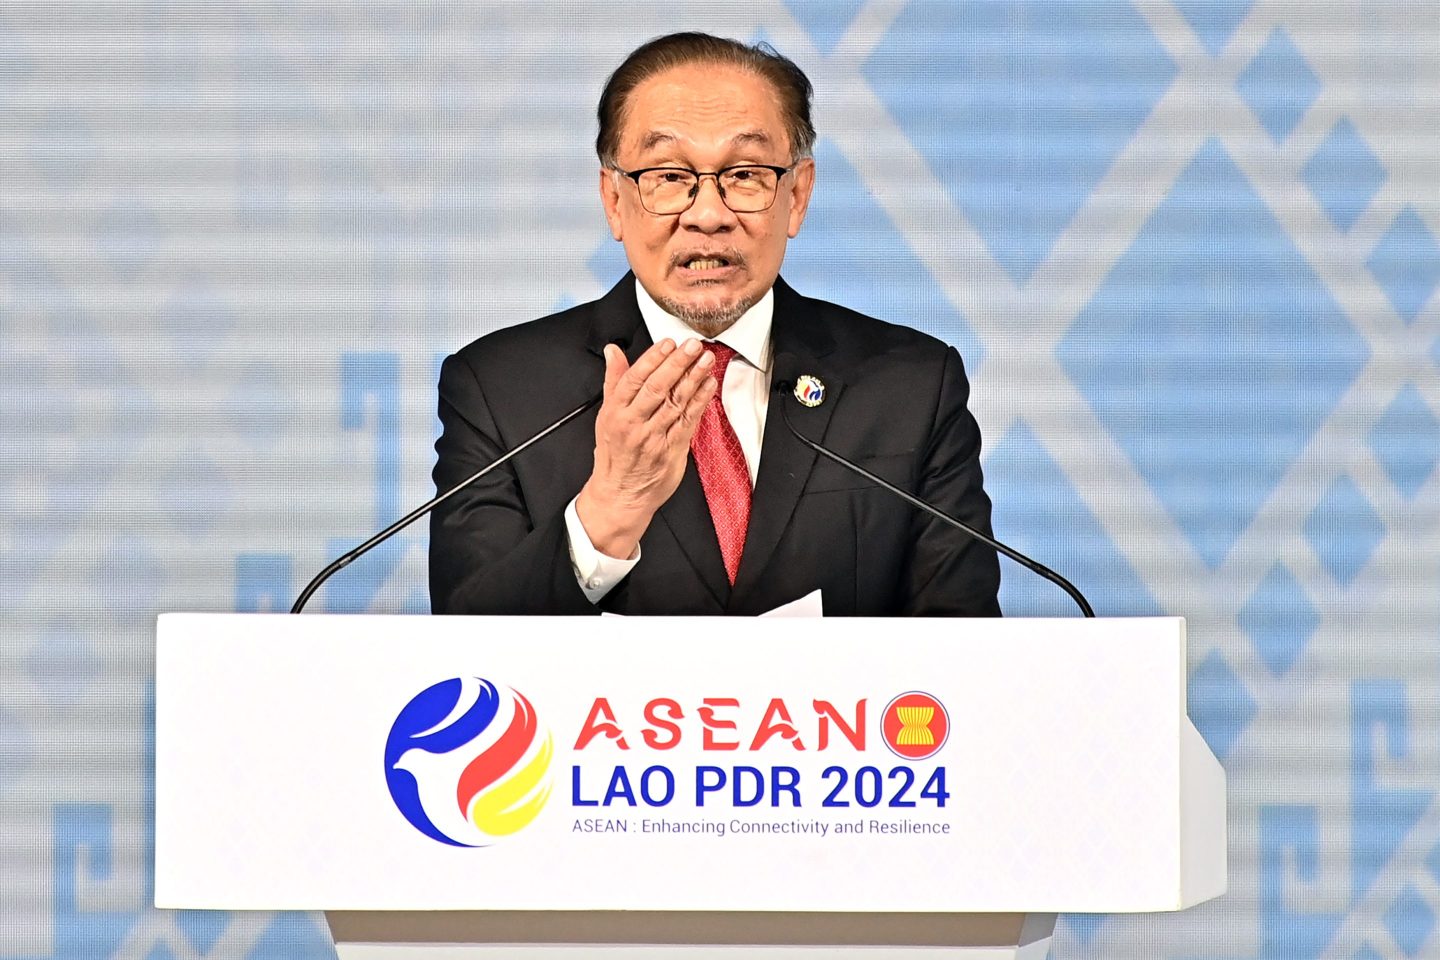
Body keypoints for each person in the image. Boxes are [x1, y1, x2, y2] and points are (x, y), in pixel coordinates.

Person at [429, 32, 1001, 617]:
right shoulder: (500, 390)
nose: (707, 215)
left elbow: (967, 653)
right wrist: (606, 516)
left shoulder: (910, 387)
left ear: (797, 196)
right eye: (669, 176)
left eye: (746, 173)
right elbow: (464, 653)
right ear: (614, 201)